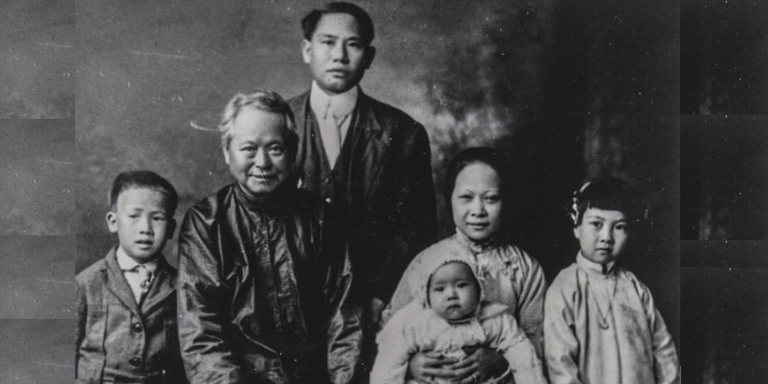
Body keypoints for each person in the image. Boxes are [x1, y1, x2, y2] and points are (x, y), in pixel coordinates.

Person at [176, 90, 361, 384]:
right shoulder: (207, 223)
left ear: (293, 151)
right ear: (227, 151)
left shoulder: (320, 219)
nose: (262, 162)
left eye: (275, 148)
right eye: (249, 148)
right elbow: (201, 331)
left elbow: (345, 318)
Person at [289, 2, 438, 328]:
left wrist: (382, 298)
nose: (339, 55)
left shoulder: (402, 132)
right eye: (327, 42)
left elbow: (416, 228)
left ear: (368, 57)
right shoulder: (279, 124)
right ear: (306, 49)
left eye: (352, 44)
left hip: (373, 306)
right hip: (290, 306)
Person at [383, 147, 547, 384]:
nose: (478, 211)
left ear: (506, 201)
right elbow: (392, 329)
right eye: (466, 198)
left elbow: (536, 338)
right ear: (449, 199)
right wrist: (411, 364)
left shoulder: (525, 269)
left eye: (491, 198)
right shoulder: (427, 261)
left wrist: (501, 360)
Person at [544, 177, 680, 384]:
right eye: (596, 224)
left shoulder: (635, 288)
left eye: (619, 227)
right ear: (577, 227)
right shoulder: (565, 287)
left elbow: (663, 349)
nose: (607, 236)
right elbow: (560, 362)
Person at [371, 240, 546, 384]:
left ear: (478, 288)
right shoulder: (413, 322)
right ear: (426, 294)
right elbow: (388, 363)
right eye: (440, 289)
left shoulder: (495, 319)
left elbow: (525, 359)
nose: (452, 294)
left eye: (462, 285)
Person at [76, 171, 187, 384]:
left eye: (157, 218)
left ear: (171, 228)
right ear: (113, 221)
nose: (145, 229)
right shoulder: (87, 282)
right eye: (134, 216)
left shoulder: (181, 286)